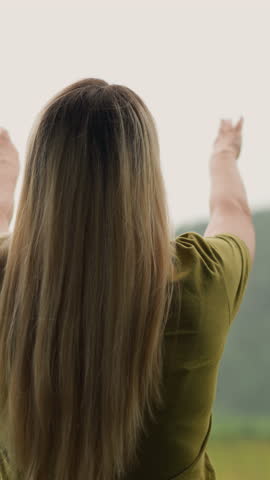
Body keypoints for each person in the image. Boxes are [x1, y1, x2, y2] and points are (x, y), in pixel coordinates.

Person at [0, 79, 255, 480]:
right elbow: (232, 209)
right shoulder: (201, 280)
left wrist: (6, 172)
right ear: (146, 176)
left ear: (43, 177)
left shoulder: (6, 282)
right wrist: (224, 154)